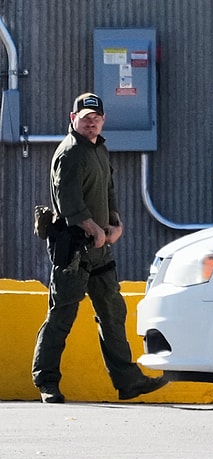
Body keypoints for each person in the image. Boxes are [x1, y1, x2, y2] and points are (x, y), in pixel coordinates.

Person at [32, 93, 169, 404]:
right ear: (73, 118)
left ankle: (128, 381)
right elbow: (70, 206)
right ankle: (46, 381)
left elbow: (108, 191)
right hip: (74, 251)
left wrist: (115, 224)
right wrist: (94, 230)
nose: (90, 121)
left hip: (99, 249)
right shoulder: (69, 154)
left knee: (112, 312)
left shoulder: (99, 149)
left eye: (95, 116)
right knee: (62, 315)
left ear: (103, 119)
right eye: (84, 116)